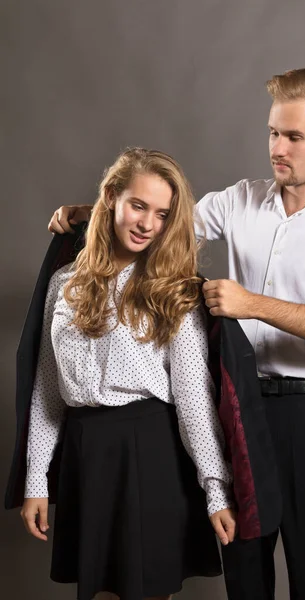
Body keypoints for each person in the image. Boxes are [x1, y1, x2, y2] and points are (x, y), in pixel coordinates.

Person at [46, 68, 305, 600]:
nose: (278, 147)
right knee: (245, 574)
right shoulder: (239, 199)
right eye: (273, 132)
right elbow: (163, 226)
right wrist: (89, 216)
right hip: (235, 407)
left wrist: (253, 305)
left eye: (293, 137)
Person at [15, 148, 237, 600]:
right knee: (102, 591)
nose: (147, 224)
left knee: (146, 591)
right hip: (85, 452)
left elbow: (193, 395)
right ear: (111, 198)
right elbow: (45, 389)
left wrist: (216, 489)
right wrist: (36, 479)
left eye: (162, 214)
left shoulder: (172, 290)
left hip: (149, 450)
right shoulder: (63, 283)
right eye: (138, 206)